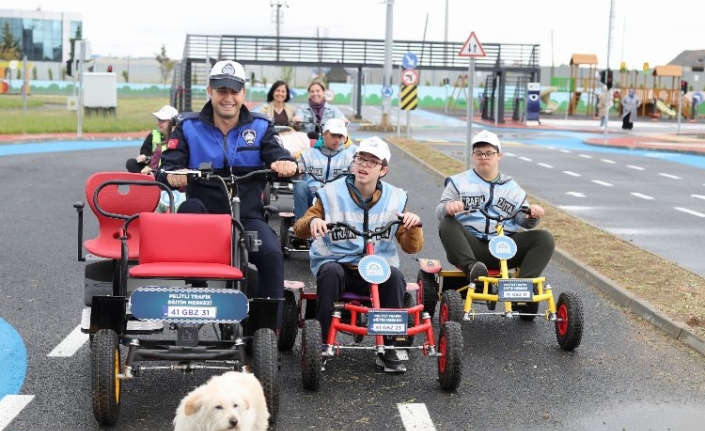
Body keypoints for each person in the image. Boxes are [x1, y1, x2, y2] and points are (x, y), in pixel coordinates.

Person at [157, 60, 297, 308]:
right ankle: (197, 299)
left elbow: (278, 154)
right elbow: (167, 166)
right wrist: (172, 174)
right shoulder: (188, 127)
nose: (228, 98)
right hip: (204, 217)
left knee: (273, 254)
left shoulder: (261, 126)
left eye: (234, 91)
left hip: (247, 217)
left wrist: (285, 164)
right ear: (210, 91)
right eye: (221, 90)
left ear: (243, 93)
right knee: (187, 211)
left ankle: (266, 329)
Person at [293, 136, 423, 373]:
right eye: (360, 158)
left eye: (372, 162)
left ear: (383, 170)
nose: (363, 165)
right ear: (353, 162)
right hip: (340, 265)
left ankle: (389, 347)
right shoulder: (330, 193)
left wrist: (413, 227)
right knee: (330, 272)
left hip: (377, 269)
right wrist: (313, 221)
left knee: (395, 277)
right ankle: (321, 344)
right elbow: (300, 226)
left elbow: (411, 248)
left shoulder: (396, 198)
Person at [436, 130, 555, 286]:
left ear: (499, 156)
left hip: (505, 247)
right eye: (479, 153)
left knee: (545, 238)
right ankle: (473, 270)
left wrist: (532, 215)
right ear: (473, 156)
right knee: (447, 223)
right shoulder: (458, 182)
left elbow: (523, 220)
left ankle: (523, 287)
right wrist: (449, 207)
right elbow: (439, 211)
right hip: (471, 247)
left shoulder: (512, 187)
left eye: (489, 153)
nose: (483, 157)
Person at [293, 118, 355, 223]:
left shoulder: (349, 158)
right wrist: (298, 168)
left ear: (344, 138)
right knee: (300, 185)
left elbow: (355, 172)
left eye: (340, 136)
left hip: (337, 199)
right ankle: (301, 225)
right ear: (324, 134)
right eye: (333, 135)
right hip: (312, 196)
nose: (337, 140)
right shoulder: (308, 154)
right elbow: (299, 166)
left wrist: (355, 173)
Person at [126, 105, 179, 174]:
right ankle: (148, 178)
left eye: (162, 120)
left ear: (173, 122)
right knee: (131, 163)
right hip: (152, 168)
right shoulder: (153, 135)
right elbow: (145, 154)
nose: (158, 123)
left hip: (169, 171)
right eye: (158, 119)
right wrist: (145, 159)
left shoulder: (179, 137)